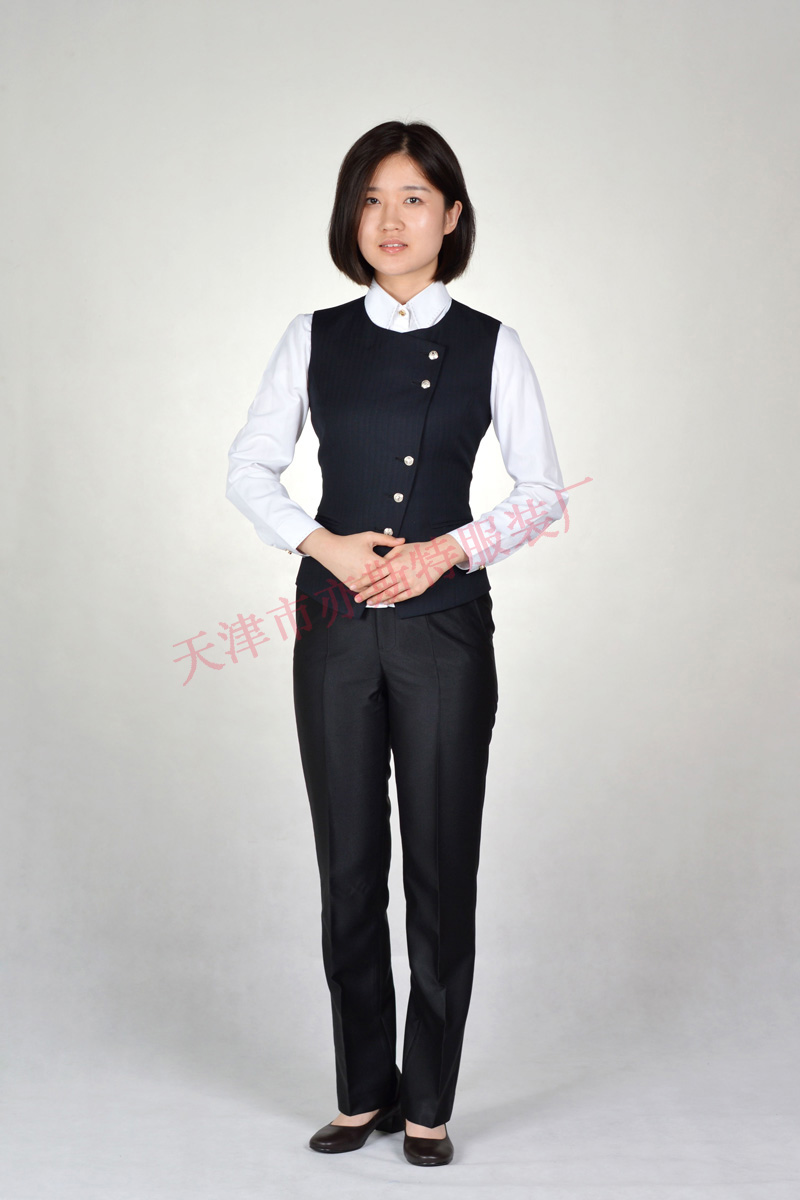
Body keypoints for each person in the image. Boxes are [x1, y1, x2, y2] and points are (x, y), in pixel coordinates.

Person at [225, 120, 568, 1167]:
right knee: (347, 868)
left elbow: (542, 492)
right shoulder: (312, 335)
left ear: (450, 216)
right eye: (371, 198)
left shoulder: (491, 343)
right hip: (332, 629)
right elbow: (248, 467)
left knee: (438, 869)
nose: (390, 219)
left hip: (444, 633)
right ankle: (361, 1091)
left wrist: (445, 553)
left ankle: (428, 1102)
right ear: (351, 216)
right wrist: (322, 542)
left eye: (414, 198)